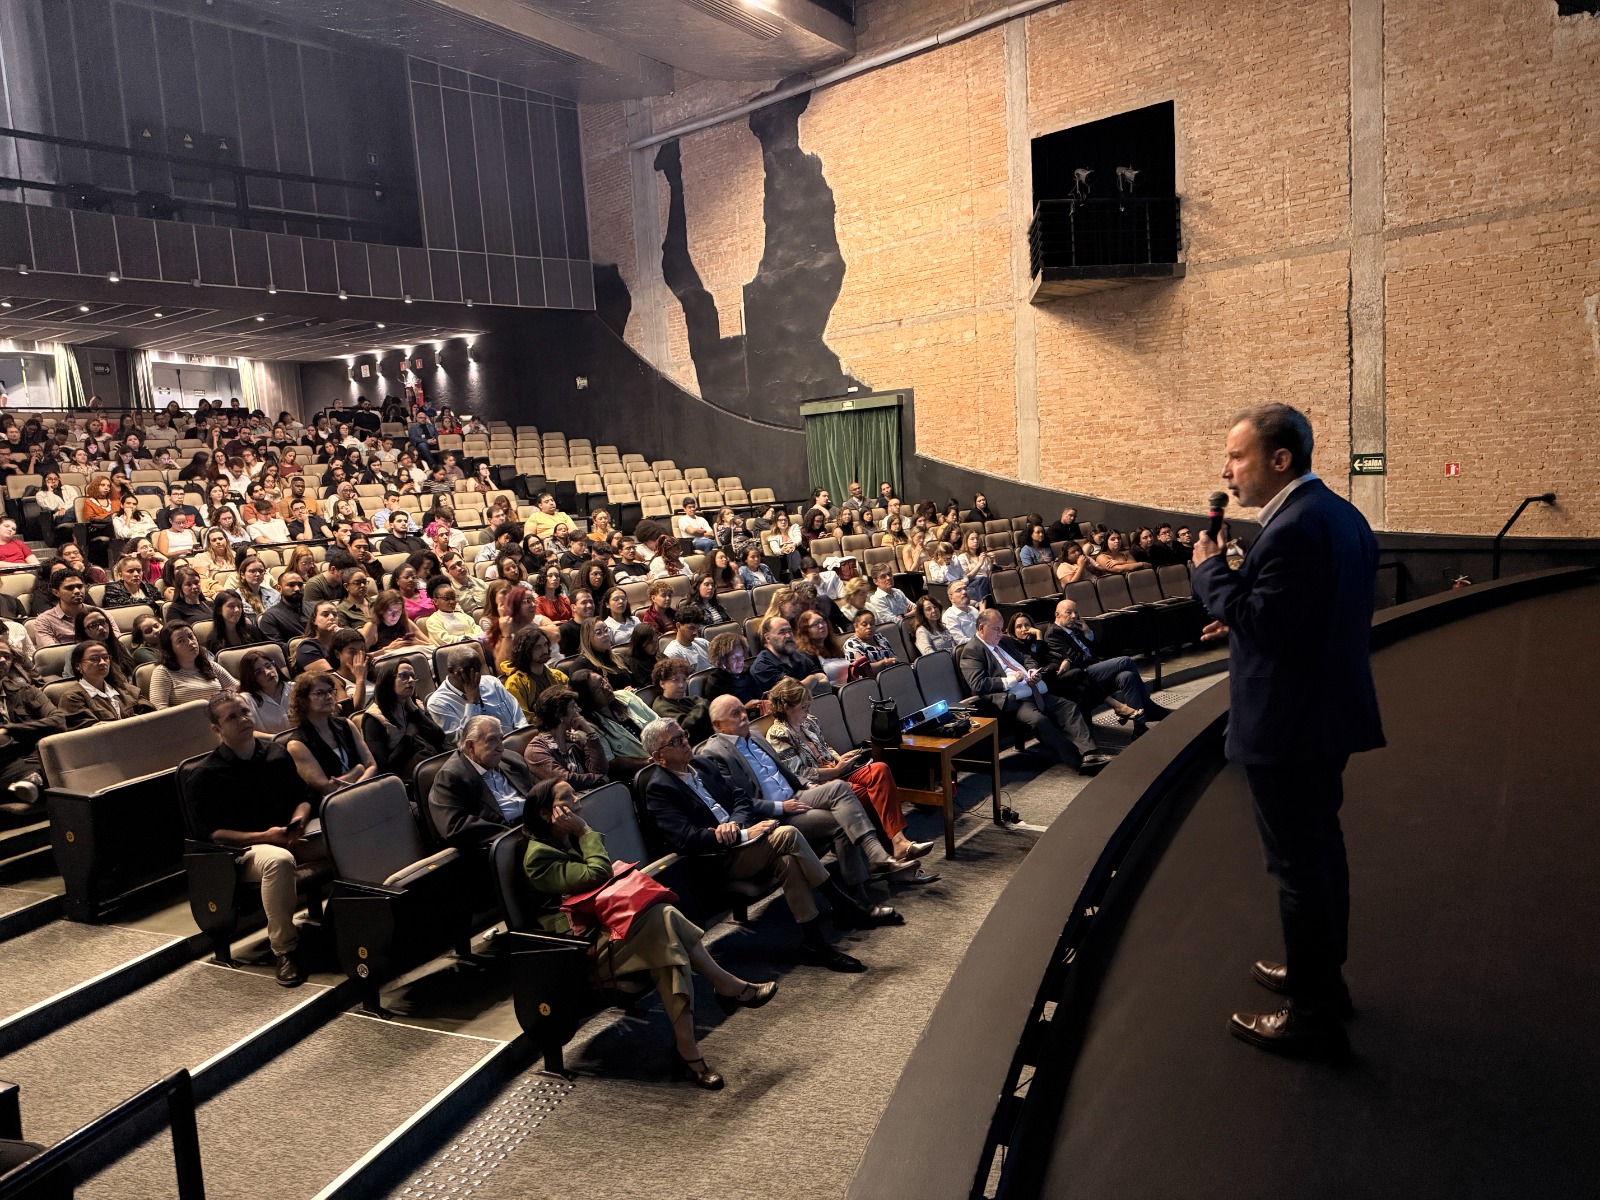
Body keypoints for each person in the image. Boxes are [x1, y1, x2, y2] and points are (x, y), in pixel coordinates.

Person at [1190, 402, 1384, 1053]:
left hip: (1290, 727)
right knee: (1321, 856)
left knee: (1299, 868)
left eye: (1237, 456)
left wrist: (1211, 573)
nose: (1227, 469)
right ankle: (1320, 978)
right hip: (1323, 715)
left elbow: (1272, 622)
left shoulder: (1295, 528)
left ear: (1280, 459)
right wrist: (1241, 614)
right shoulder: (1339, 515)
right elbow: (1301, 616)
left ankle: (1313, 1017)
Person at [522, 775, 777, 1089]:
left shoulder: (568, 839)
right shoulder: (538, 857)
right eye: (568, 799)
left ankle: (691, 1051)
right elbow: (597, 873)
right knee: (664, 918)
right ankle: (726, 988)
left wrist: (581, 835)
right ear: (549, 815)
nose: (578, 802)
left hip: (608, 929)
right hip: (581, 950)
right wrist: (586, 831)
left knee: (666, 934)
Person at [641, 717, 881, 973]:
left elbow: (741, 798)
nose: (686, 742)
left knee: (787, 861)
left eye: (684, 735)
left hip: (745, 841)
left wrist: (735, 823)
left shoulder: (701, 764)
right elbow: (686, 839)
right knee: (787, 834)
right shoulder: (659, 788)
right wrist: (740, 834)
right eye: (676, 741)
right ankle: (844, 905)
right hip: (718, 859)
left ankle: (814, 943)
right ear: (659, 756)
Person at [702, 692, 924, 891]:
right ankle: (863, 887)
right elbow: (739, 802)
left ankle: (879, 854)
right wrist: (782, 806)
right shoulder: (714, 753)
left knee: (841, 787)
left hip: (797, 793)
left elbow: (785, 772)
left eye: (743, 709)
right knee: (845, 811)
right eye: (735, 713)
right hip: (774, 813)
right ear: (719, 725)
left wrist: (806, 785)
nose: (744, 715)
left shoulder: (756, 736)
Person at [184, 694, 325, 985]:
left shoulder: (275, 753)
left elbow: (303, 797)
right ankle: (285, 949)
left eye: (244, 712)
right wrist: (267, 837)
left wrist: (298, 820)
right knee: (279, 861)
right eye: (231, 717)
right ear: (216, 729)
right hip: (243, 852)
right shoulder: (205, 775)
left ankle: (340, 919)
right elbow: (210, 834)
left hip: (288, 835)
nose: (243, 719)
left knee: (342, 839)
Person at [764, 677, 936, 869]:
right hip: (818, 787)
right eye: (804, 707)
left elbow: (826, 747)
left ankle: (898, 843)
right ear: (787, 707)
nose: (808, 711)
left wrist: (841, 760)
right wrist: (835, 770)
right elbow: (798, 773)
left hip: (837, 772)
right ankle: (895, 853)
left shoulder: (809, 722)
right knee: (869, 795)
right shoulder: (778, 734)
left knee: (880, 769)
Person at [958, 608, 1113, 776]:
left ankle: (1090, 753)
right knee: (1039, 720)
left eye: (1001, 629)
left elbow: (1026, 657)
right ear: (981, 628)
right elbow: (978, 684)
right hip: (1015, 700)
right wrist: (1010, 680)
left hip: (1033, 689)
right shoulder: (972, 651)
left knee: (1068, 707)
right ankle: (1079, 761)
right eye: (996, 629)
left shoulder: (1004, 641)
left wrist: (1031, 671)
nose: (1000, 633)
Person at [1038, 599, 1170, 731]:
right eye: (1069, 612)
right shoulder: (1053, 633)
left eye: (1076, 613)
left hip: (1093, 668)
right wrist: (1100, 663)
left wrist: (1088, 633)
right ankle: (1149, 706)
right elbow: (1076, 659)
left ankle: (1139, 726)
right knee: (1126, 661)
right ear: (1057, 614)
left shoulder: (1075, 628)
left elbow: (1096, 652)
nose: (1073, 616)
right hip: (1081, 675)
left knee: (1127, 676)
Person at [426, 713, 537, 853]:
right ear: (470, 745)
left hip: (537, 829)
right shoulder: (450, 777)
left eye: (501, 739)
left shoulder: (512, 760)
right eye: (491, 740)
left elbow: (535, 796)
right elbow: (455, 827)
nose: (500, 747)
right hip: (506, 846)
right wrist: (513, 836)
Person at [284, 671, 377, 797]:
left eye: (330, 691)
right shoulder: (297, 744)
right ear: (303, 702)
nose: (329, 697)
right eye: (320, 693)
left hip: (365, 790)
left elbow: (371, 765)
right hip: (335, 804)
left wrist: (358, 786)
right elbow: (326, 788)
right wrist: (358, 770)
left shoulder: (346, 724)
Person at [358, 658, 448, 781]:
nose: (410, 681)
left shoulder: (416, 706)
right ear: (388, 680)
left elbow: (439, 738)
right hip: (404, 779)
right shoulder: (373, 718)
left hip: (430, 764)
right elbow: (384, 767)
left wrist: (415, 710)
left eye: (413, 676)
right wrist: (408, 736)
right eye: (404, 676)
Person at [426, 647, 527, 742]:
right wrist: (472, 702)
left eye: (478, 668)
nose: (475, 674)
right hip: (483, 753)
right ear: (451, 671)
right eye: (468, 670)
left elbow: (517, 715)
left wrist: (522, 737)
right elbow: (460, 740)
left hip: (514, 741)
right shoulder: (438, 703)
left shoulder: (492, 683)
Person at [526, 685, 609, 790]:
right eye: (574, 706)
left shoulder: (576, 739)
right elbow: (565, 779)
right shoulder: (536, 750)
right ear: (559, 714)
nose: (579, 709)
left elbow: (600, 769)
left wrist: (590, 732)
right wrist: (598, 778)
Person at [59, 639, 151, 725]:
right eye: (94, 659)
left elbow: (151, 716)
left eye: (105, 657)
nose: (102, 662)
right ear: (78, 666)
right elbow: (89, 733)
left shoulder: (124, 688)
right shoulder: (72, 698)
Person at [149, 622, 238, 708]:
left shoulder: (210, 665)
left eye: (191, 636)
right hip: (188, 722)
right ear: (170, 649)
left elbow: (236, 688)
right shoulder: (162, 672)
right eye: (181, 641)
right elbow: (159, 711)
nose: (190, 642)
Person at [502, 623, 568, 721]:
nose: (544, 650)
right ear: (525, 651)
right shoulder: (515, 684)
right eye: (537, 647)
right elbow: (524, 718)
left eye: (545, 644)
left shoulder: (557, 675)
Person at [749, 616, 828, 693]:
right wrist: (812, 679)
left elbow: (826, 685)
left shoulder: (800, 657)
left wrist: (804, 685)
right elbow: (792, 694)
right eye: (782, 632)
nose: (788, 635)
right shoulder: (762, 666)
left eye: (790, 631)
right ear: (768, 638)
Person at [703, 632, 765, 716]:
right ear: (722, 660)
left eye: (742, 656)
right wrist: (744, 708)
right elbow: (720, 716)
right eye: (734, 658)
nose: (740, 661)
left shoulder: (747, 673)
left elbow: (760, 696)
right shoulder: (715, 684)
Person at [650, 657, 711, 744]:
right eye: (676, 680)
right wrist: (702, 706)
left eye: (684, 680)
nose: (682, 685)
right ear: (662, 683)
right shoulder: (661, 706)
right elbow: (687, 727)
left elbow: (703, 702)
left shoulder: (684, 699)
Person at [236, 648, 294, 734]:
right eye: (259, 672)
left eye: (269, 665)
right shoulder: (247, 700)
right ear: (251, 678)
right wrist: (275, 739)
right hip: (271, 746)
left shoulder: (295, 688)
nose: (268, 672)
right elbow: (248, 732)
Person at [31, 567, 89, 647]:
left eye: (80, 586)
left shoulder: (100, 613)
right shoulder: (45, 621)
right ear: (56, 592)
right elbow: (52, 653)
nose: (77, 591)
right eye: (69, 588)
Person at [207, 589, 267, 653]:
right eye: (231, 606)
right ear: (219, 610)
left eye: (239, 606)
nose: (237, 610)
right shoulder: (213, 640)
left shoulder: (252, 631)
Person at [661, 602, 713, 674]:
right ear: (678, 626)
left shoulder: (703, 643)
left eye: (697, 628)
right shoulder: (673, 653)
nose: (695, 632)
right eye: (691, 628)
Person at [941, 579, 979, 646]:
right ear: (951, 598)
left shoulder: (973, 610)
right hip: (969, 651)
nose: (964, 592)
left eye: (965, 588)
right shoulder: (949, 616)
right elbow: (961, 642)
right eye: (959, 590)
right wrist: (983, 640)